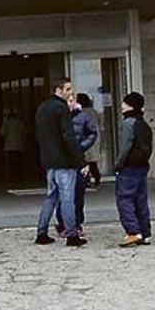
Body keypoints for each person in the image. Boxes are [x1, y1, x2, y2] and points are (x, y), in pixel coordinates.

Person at [34, 77, 88, 247]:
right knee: (67, 198)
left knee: (51, 197)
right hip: (65, 161)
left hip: (49, 160)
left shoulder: (42, 108)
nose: (71, 92)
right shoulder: (61, 109)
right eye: (68, 89)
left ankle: (41, 232)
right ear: (58, 90)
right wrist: (80, 159)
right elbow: (68, 137)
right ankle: (72, 235)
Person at [56, 93, 98, 238]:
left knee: (78, 193)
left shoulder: (83, 116)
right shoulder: (58, 116)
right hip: (62, 159)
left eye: (73, 100)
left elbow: (92, 133)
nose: (71, 102)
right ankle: (63, 223)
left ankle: (77, 223)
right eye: (68, 100)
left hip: (78, 158)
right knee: (63, 194)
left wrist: (81, 147)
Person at [114, 92, 153, 248]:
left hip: (129, 167)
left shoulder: (128, 123)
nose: (122, 105)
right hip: (142, 167)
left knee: (125, 200)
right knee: (140, 201)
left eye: (124, 102)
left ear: (130, 105)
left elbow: (125, 148)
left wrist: (118, 165)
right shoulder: (143, 124)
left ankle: (133, 232)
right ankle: (145, 233)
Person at [77, 93, 103, 190]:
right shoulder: (94, 112)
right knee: (92, 163)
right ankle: (96, 178)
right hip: (95, 139)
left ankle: (87, 180)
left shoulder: (80, 112)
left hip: (84, 139)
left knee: (84, 162)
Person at [1, 110, 26, 185]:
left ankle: (10, 180)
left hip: (8, 147)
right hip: (19, 147)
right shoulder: (20, 123)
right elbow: (24, 134)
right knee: (18, 165)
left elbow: (2, 133)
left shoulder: (6, 124)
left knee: (9, 166)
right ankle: (19, 179)